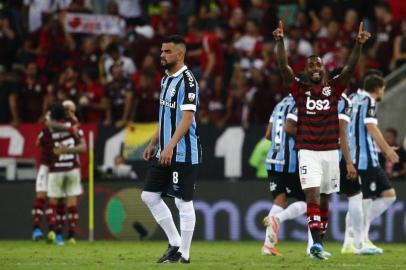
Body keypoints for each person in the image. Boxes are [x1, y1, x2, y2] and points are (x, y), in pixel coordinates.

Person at [272, 20, 370, 259]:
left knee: (325, 199)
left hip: (330, 152)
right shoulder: (299, 90)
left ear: (324, 69)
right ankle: (315, 244)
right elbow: (284, 67)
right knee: (312, 195)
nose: (315, 67)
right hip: (307, 151)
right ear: (306, 72)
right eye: (310, 65)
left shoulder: (334, 89)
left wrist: (358, 45)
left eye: (318, 64)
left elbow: (349, 68)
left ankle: (319, 243)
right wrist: (280, 42)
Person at [141, 35, 201, 264]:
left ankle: (184, 254)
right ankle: (175, 242)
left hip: (184, 152)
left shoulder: (188, 81)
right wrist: (154, 142)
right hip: (164, 149)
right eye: (162, 51)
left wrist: (170, 146)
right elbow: (165, 116)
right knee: (149, 196)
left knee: (183, 202)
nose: (162, 55)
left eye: (167, 51)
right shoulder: (166, 79)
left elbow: (187, 119)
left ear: (180, 54)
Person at [349, 74, 398, 253]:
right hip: (364, 158)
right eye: (383, 88)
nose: (383, 92)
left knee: (389, 194)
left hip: (363, 156)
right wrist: (387, 149)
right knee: (366, 199)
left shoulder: (353, 99)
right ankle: (361, 240)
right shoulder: (368, 101)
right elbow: (371, 127)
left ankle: (357, 233)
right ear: (378, 88)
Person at [261, 94, 306, 257]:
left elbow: (267, 135)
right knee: (309, 202)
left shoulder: (279, 104)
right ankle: (278, 219)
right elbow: (289, 128)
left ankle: (268, 246)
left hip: (272, 159)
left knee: (279, 201)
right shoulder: (301, 102)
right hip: (289, 161)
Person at [43, 102, 86, 245]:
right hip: (71, 167)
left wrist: (65, 150)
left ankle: (53, 231)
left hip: (57, 167)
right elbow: (83, 146)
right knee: (70, 203)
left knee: (54, 202)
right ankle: (69, 235)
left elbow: (48, 126)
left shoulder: (51, 123)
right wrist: (70, 130)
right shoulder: (74, 124)